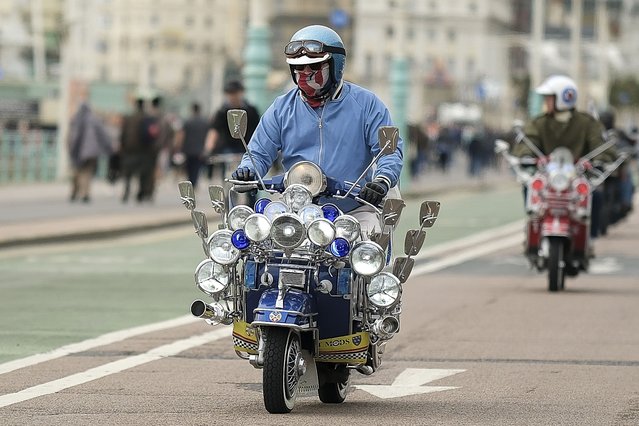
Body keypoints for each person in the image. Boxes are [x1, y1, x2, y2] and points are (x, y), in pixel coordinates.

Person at [230, 25, 403, 234]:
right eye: (299, 68)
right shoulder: (281, 108)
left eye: (314, 66)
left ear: (336, 64)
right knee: (256, 244)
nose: (305, 73)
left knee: (368, 247)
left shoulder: (367, 104)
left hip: (354, 210)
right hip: (296, 211)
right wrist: (248, 169)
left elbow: (389, 151)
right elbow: (258, 152)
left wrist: (381, 181)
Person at [512, 74, 616, 251]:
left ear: (562, 98)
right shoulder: (539, 123)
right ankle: (533, 223)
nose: (546, 102)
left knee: (596, 195)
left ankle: (589, 237)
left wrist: (599, 160)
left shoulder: (587, 123)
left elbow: (601, 145)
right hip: (548, 173)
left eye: (549, 98)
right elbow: (527, 142)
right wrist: (527, 157)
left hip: (578, 174)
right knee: (529, 187)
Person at [68, 102, 113, 203]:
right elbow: (103, 135)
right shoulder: (94, 120)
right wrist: (108, 147)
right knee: (87, 172)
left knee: (77, 172)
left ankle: (75, 192)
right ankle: (85, 193)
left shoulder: (75, 119)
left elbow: (72, 137)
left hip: (78, 151)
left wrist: (71, 150)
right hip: (91, 152)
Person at [174, 102, 209, 188]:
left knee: (189, 167)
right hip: (199, 149)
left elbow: (181, 135)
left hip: (188, 149)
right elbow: (207, 136)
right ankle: (194, 182)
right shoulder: (204, 122)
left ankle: (191, 181)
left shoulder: (187, 122)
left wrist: (178, 146)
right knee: (196, 167)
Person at [119, 98, 146, 203]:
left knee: (127, 173)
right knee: (141, 173)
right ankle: (140, 193)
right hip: (142, 150)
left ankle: (126, 192)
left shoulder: (129, 118)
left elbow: (123, 133)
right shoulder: (146, 117)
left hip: (129, 149)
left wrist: (122, 145)